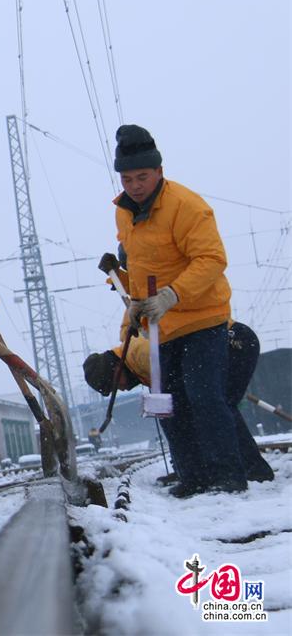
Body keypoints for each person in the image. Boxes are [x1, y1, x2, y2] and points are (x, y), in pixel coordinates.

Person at [110, 124, 246, 497]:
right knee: (169, 404)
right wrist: (136, 300)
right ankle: (194, 475)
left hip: (202, 317)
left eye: (142, 176)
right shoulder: (123, 212)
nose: (134, 185)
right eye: (127, 178)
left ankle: (227, 474)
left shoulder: (186, 206)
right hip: (162, 325)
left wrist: (173, 294)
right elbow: (140, 263)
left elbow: (212, 258)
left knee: (204, 396)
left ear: (158, 172)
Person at [83, 320, 274, 482]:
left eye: (116, 386)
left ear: (115, 369)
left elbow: (177, 410)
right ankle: (204, 470)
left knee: (218, 406)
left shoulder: (143, 354)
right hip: (218, 346)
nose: (123, 389)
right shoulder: (136, 359)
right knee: (208, 408)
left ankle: (253, 468)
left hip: (234, 344)